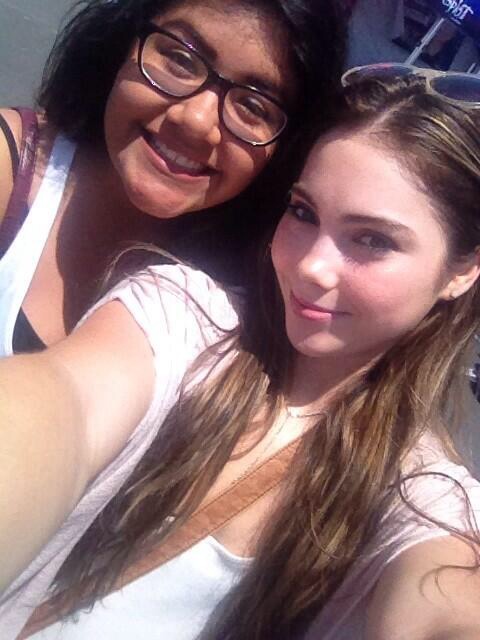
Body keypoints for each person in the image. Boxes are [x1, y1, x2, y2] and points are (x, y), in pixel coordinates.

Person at [2, 73, 480, 639]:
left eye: (373, 240)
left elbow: (442, 597)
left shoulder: (426, 496)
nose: (311, 266)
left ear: (463, 270)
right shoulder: (186, 316)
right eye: (303, 212)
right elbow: (68, 405)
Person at [0, 0, 346, 357]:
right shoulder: (12, 166)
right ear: (122, 42)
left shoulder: (251, 298)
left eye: (252, 106)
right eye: (180, 60)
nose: (196, 121)